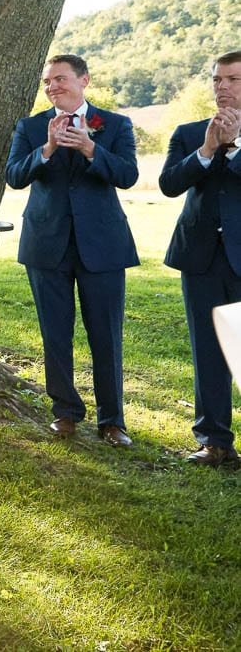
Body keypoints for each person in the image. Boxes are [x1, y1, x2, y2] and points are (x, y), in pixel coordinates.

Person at [5, 53, 139, 447]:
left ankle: (112, 421)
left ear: (84, 81)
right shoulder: (30, 127)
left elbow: (128, 175)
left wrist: (90, 149)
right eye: (48, 82)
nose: (53, 87)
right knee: (55, 333)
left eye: (61, 79)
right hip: (47, 244)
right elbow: (14, 176)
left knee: (106, 335)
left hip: (103, 245)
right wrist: (45, 149)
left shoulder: (114, 125)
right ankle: (65, 412)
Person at [158, 50, 241, 468]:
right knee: (208, 350)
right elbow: (169, 184)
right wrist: (207, 150)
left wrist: (237, 147)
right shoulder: (190, 132)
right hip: (201, 258)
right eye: (217, 80)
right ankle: (215, 441)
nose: (222, 87)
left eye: (233, 79)